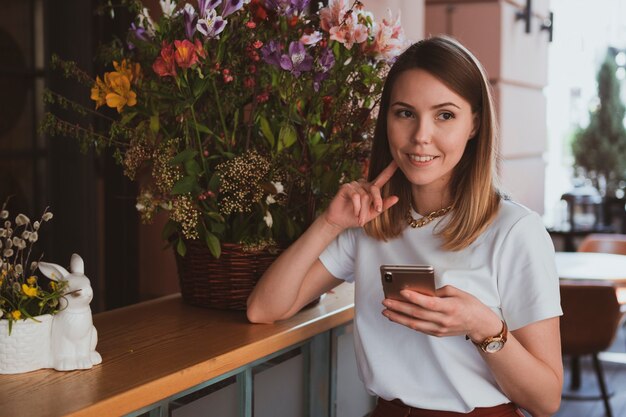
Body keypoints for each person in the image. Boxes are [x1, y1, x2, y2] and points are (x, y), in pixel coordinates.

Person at [247, 35, 563, 417]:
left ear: (475, 123)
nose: (420, 136)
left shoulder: (516, 232)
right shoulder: (369, 223)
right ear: (388, 120)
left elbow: (546, 401)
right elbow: (264, 309)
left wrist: (484, 327)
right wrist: (330, 223)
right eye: (405, 113)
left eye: (445, 115)